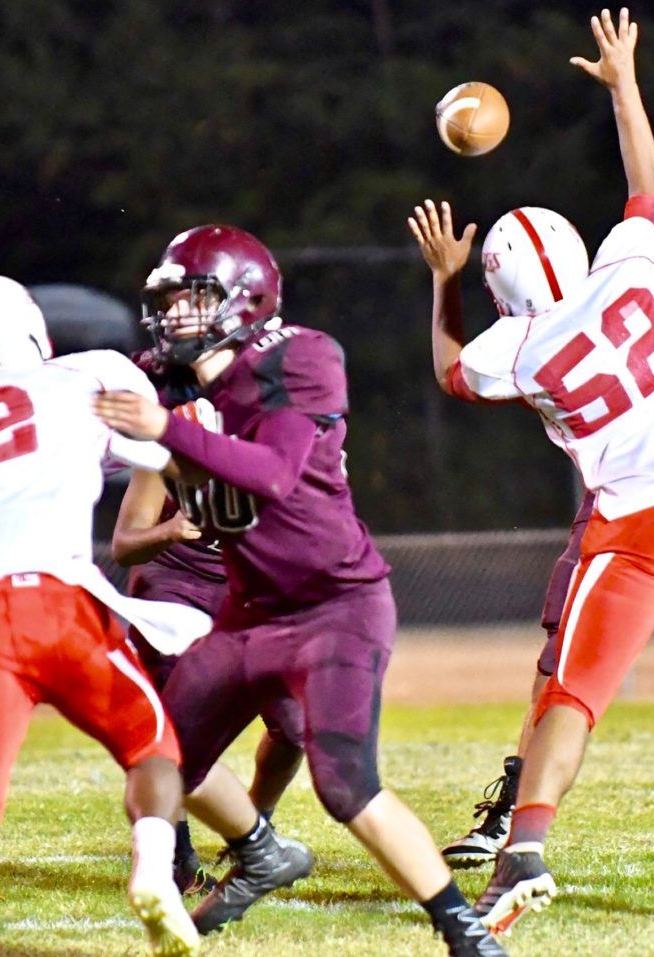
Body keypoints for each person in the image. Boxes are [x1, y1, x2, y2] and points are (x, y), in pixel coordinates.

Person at [408, 6, 654, 934]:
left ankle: (525, 851)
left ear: (505, 297)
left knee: (573, 698)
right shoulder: (632, 271)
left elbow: (446, 369)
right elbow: (646, 186)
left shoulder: (516, 352)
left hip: (631, 530)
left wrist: (443, 277)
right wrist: (626, 84)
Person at [93, 225, 507, 957]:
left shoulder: (301, 357)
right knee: (158, 760)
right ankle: (256, 854)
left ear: (244, 300)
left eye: (191, 300)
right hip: (247, 612)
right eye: (168, 303)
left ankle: (466, 933)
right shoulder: (167, 379)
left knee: (345, 785)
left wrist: (164, 427)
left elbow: (274, 472)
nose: (172, 319)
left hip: (335, 605)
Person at [0, 275, 209, 957]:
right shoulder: (88, 378)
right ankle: (152, 865)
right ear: (33, 330)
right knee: (153, 749)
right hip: (69, 604)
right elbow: (169, 457)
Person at [113, 349, 306, 894]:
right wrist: (170, 531)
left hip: (247, 589)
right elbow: (125, 544)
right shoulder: (166, 450)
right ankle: (174, 850)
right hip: (177, 588)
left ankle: (254, 824)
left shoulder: (275, 438)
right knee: (170, 733)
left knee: (295, 727)